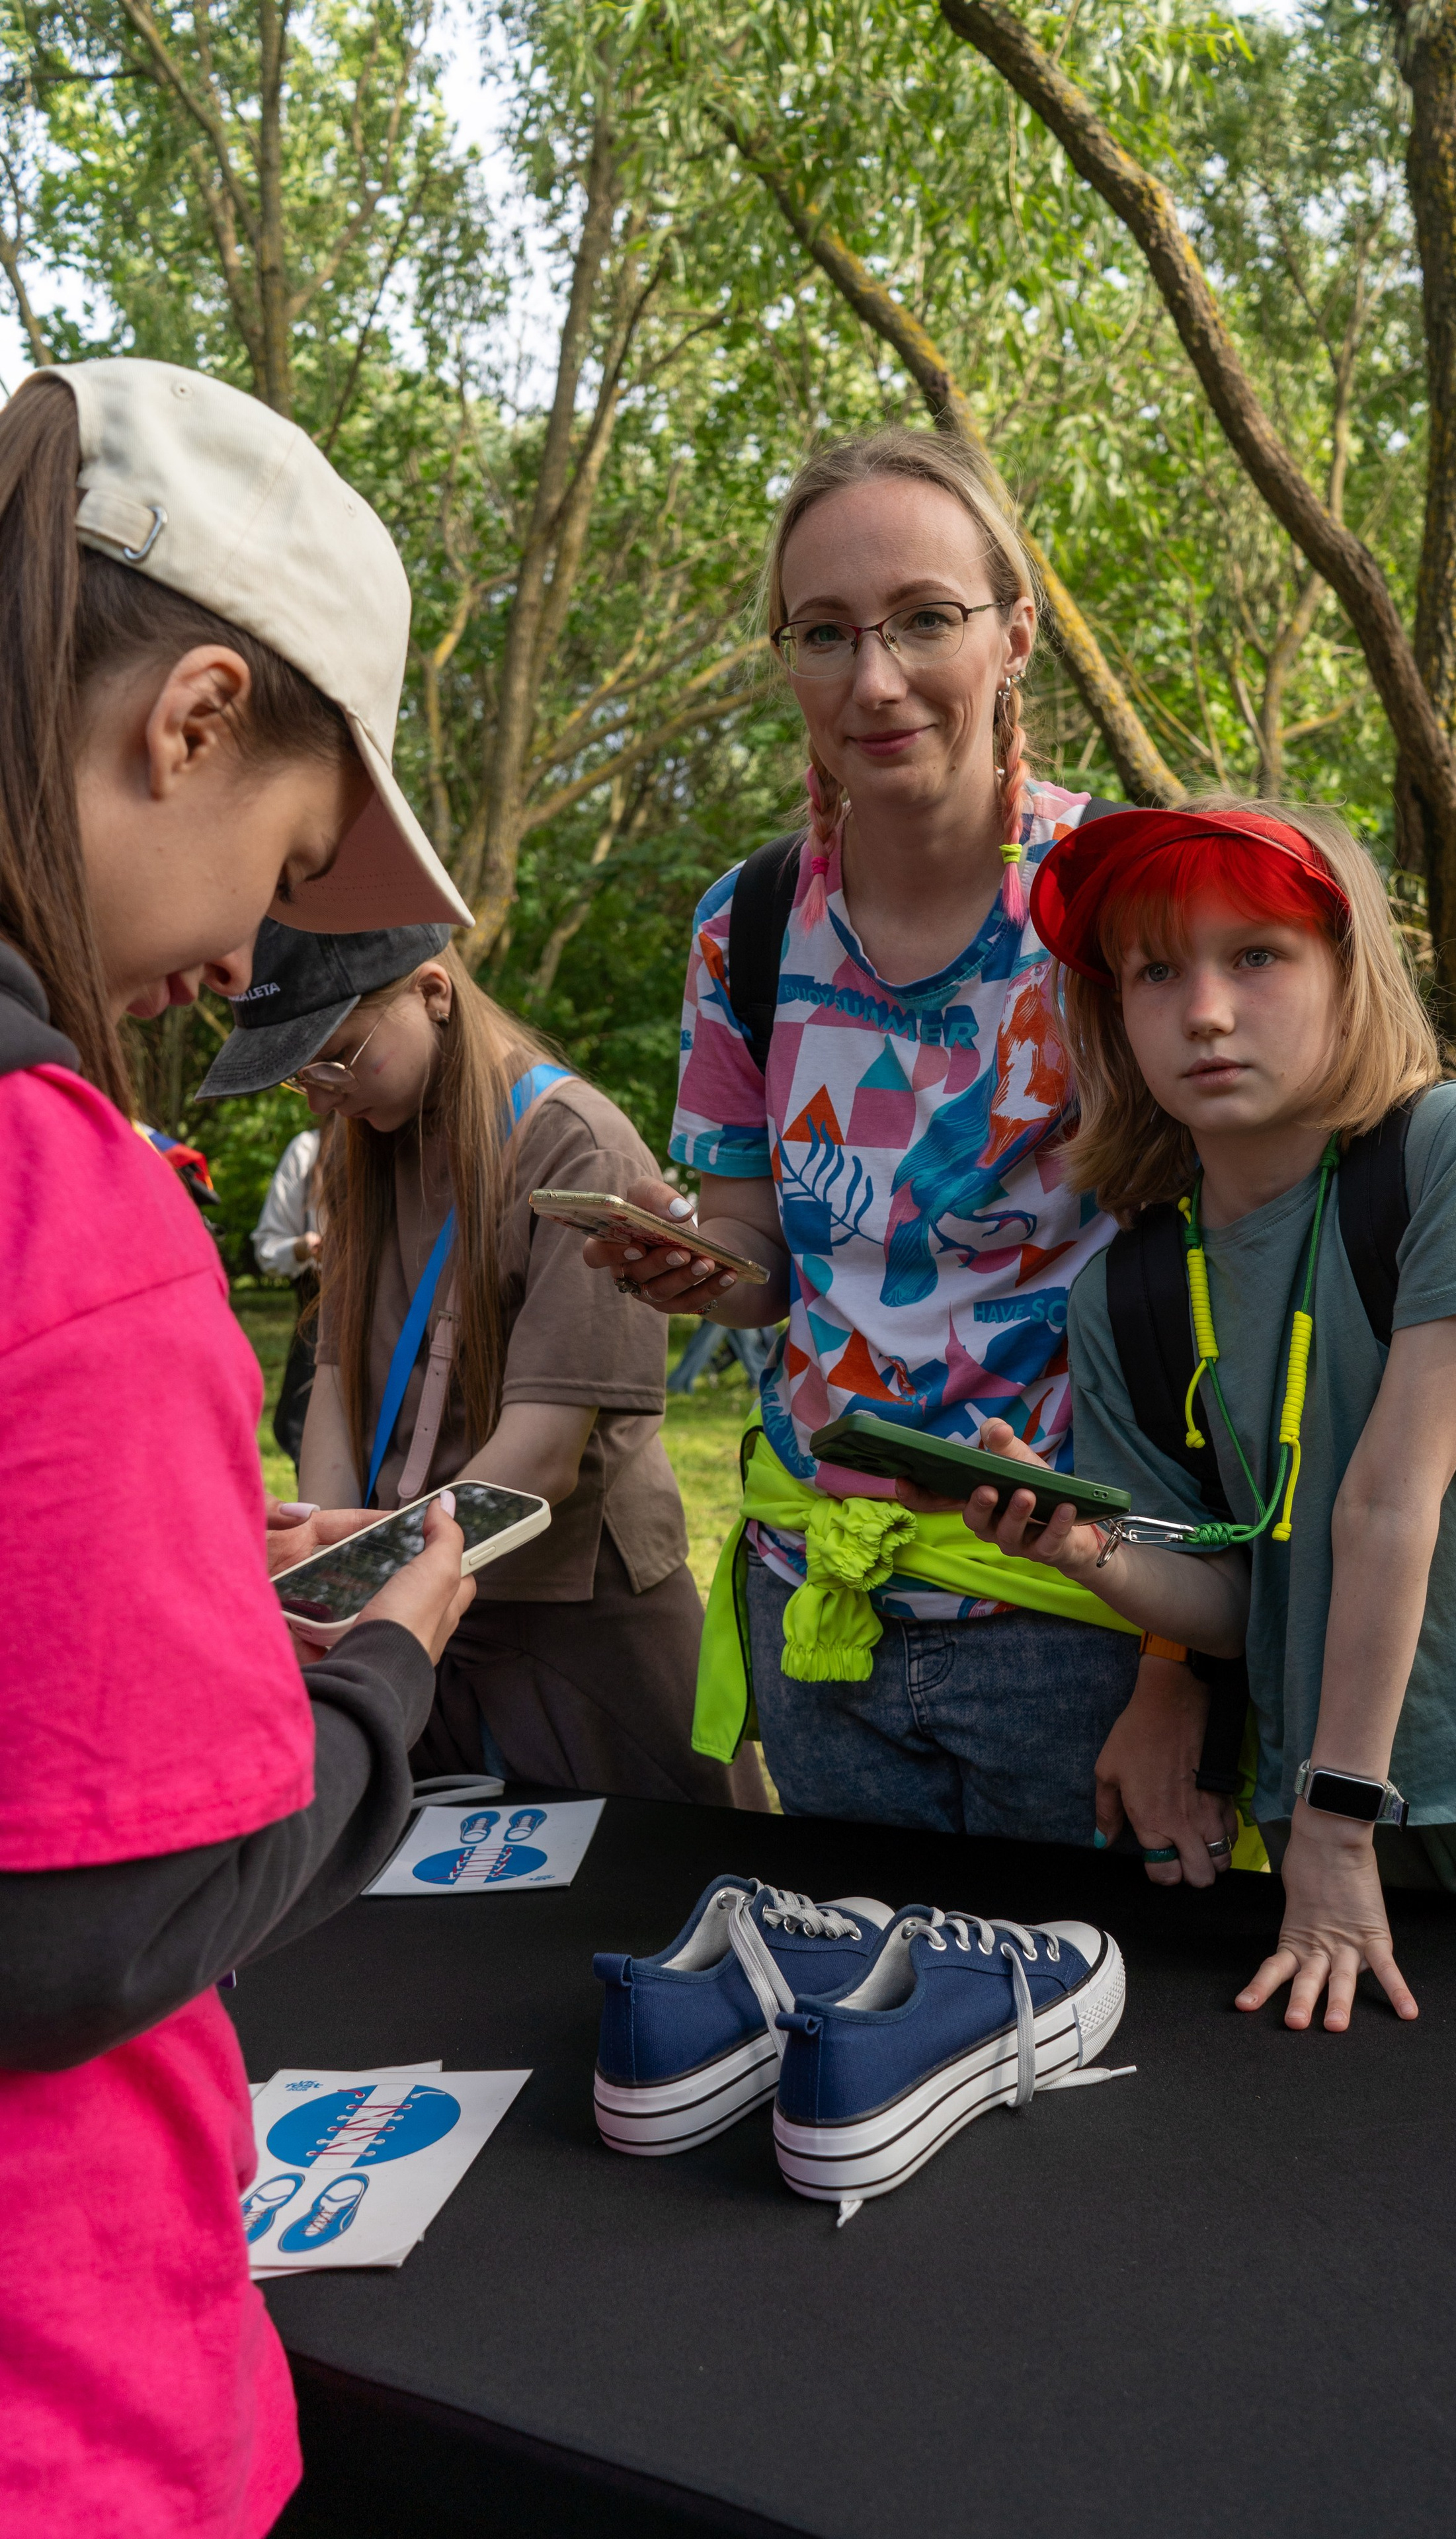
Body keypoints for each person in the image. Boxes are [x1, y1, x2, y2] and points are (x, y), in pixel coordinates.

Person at [0, 358, 479, 2534]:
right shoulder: (58, 1191)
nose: (228, 972)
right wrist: (378, 1672)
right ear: (186, 722)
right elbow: (94, 1923)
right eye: (281, 869)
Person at [936, 794, 1456, 2032]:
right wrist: (1091, 1552)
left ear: (1349, 972)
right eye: (1155, 973)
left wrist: (1334, 1829)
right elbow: (1232, 1605)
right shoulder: (1127, 1293)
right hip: (1340, 1834)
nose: (1208, 1013)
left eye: (1258, 957)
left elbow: (1390, 1504)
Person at [584, 427, 1210, 1847]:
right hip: (823, 1606)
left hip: (1076, 1620)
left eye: (924, 618)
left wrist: (1182, 1666)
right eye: (823, 634)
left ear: (1015, 637)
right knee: (866, 2014)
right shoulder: (740, 927)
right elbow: (759, 1259)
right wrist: (690, 1261)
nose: (871, 680)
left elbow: (1221, 1292)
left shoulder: (1128, 915)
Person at [200, 917, 765, 1810]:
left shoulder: (577, 1142)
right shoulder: (363, 1153)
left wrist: (376, 1576)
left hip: (570, 1626)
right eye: (303, 1072)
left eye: (339, 1055)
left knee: (639, 1900)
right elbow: (339, 1380)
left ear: (432, 991)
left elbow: (540, 1462)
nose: (322, 1095)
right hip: (406, 1615)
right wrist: (331, 1560)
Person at [251, 1119, 321, 1469]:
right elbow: (269, 1248)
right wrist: (302, 1248)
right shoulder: (309, 1150)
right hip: (321, 1313)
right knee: (306, 1433)